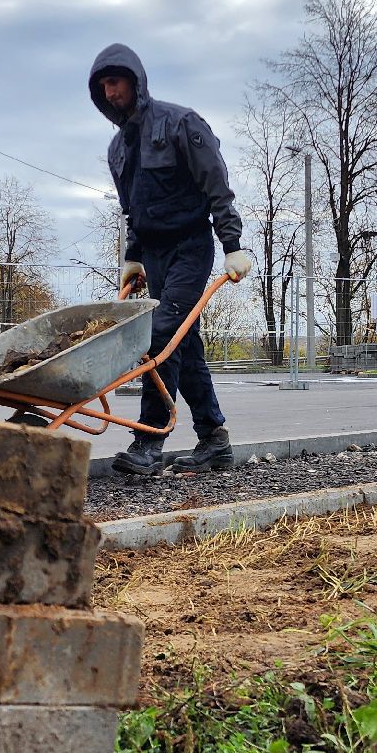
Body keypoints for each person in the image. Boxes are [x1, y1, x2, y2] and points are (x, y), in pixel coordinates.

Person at [89, 43, 254, 475]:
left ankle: (149, 440)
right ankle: (214, 440)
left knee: (161, 335)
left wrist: (232, 244)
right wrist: (133, 257)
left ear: (135, 81)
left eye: (115, 82)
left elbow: (216, 184)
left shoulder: (180, 124)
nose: (110, 92)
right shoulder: (118, 149)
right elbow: (132, 211)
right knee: (185, 342)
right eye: (103, 86)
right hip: (156, 256)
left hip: (190, 247)